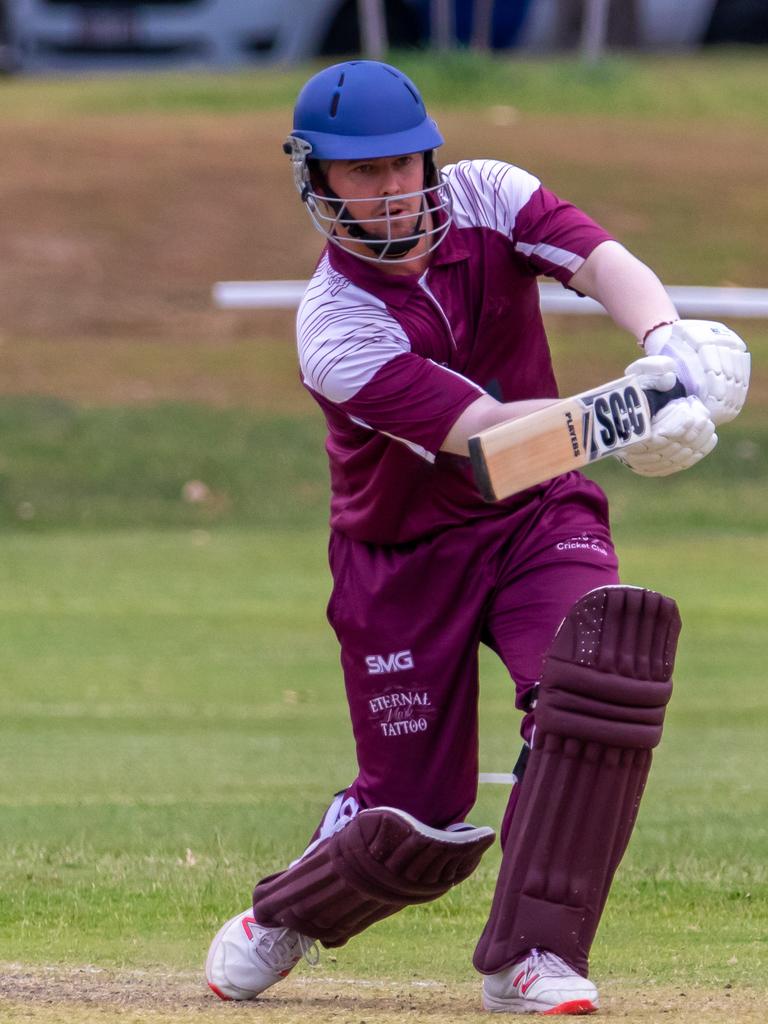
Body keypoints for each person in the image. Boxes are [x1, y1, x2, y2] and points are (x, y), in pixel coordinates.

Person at [205, 61, 750, 1014]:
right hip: (403, 563)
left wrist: (669, 339)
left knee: (594, 686)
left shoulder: (491, 194)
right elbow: (492, 439)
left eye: (400, 163)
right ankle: (286, 911)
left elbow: (596, 260)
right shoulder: (335, 331)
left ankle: (532, 958)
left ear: (429, 154)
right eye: (357, 172)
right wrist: (634, 413)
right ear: (317, 181)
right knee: (416, 823)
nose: (385, 189)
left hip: (540, 518)